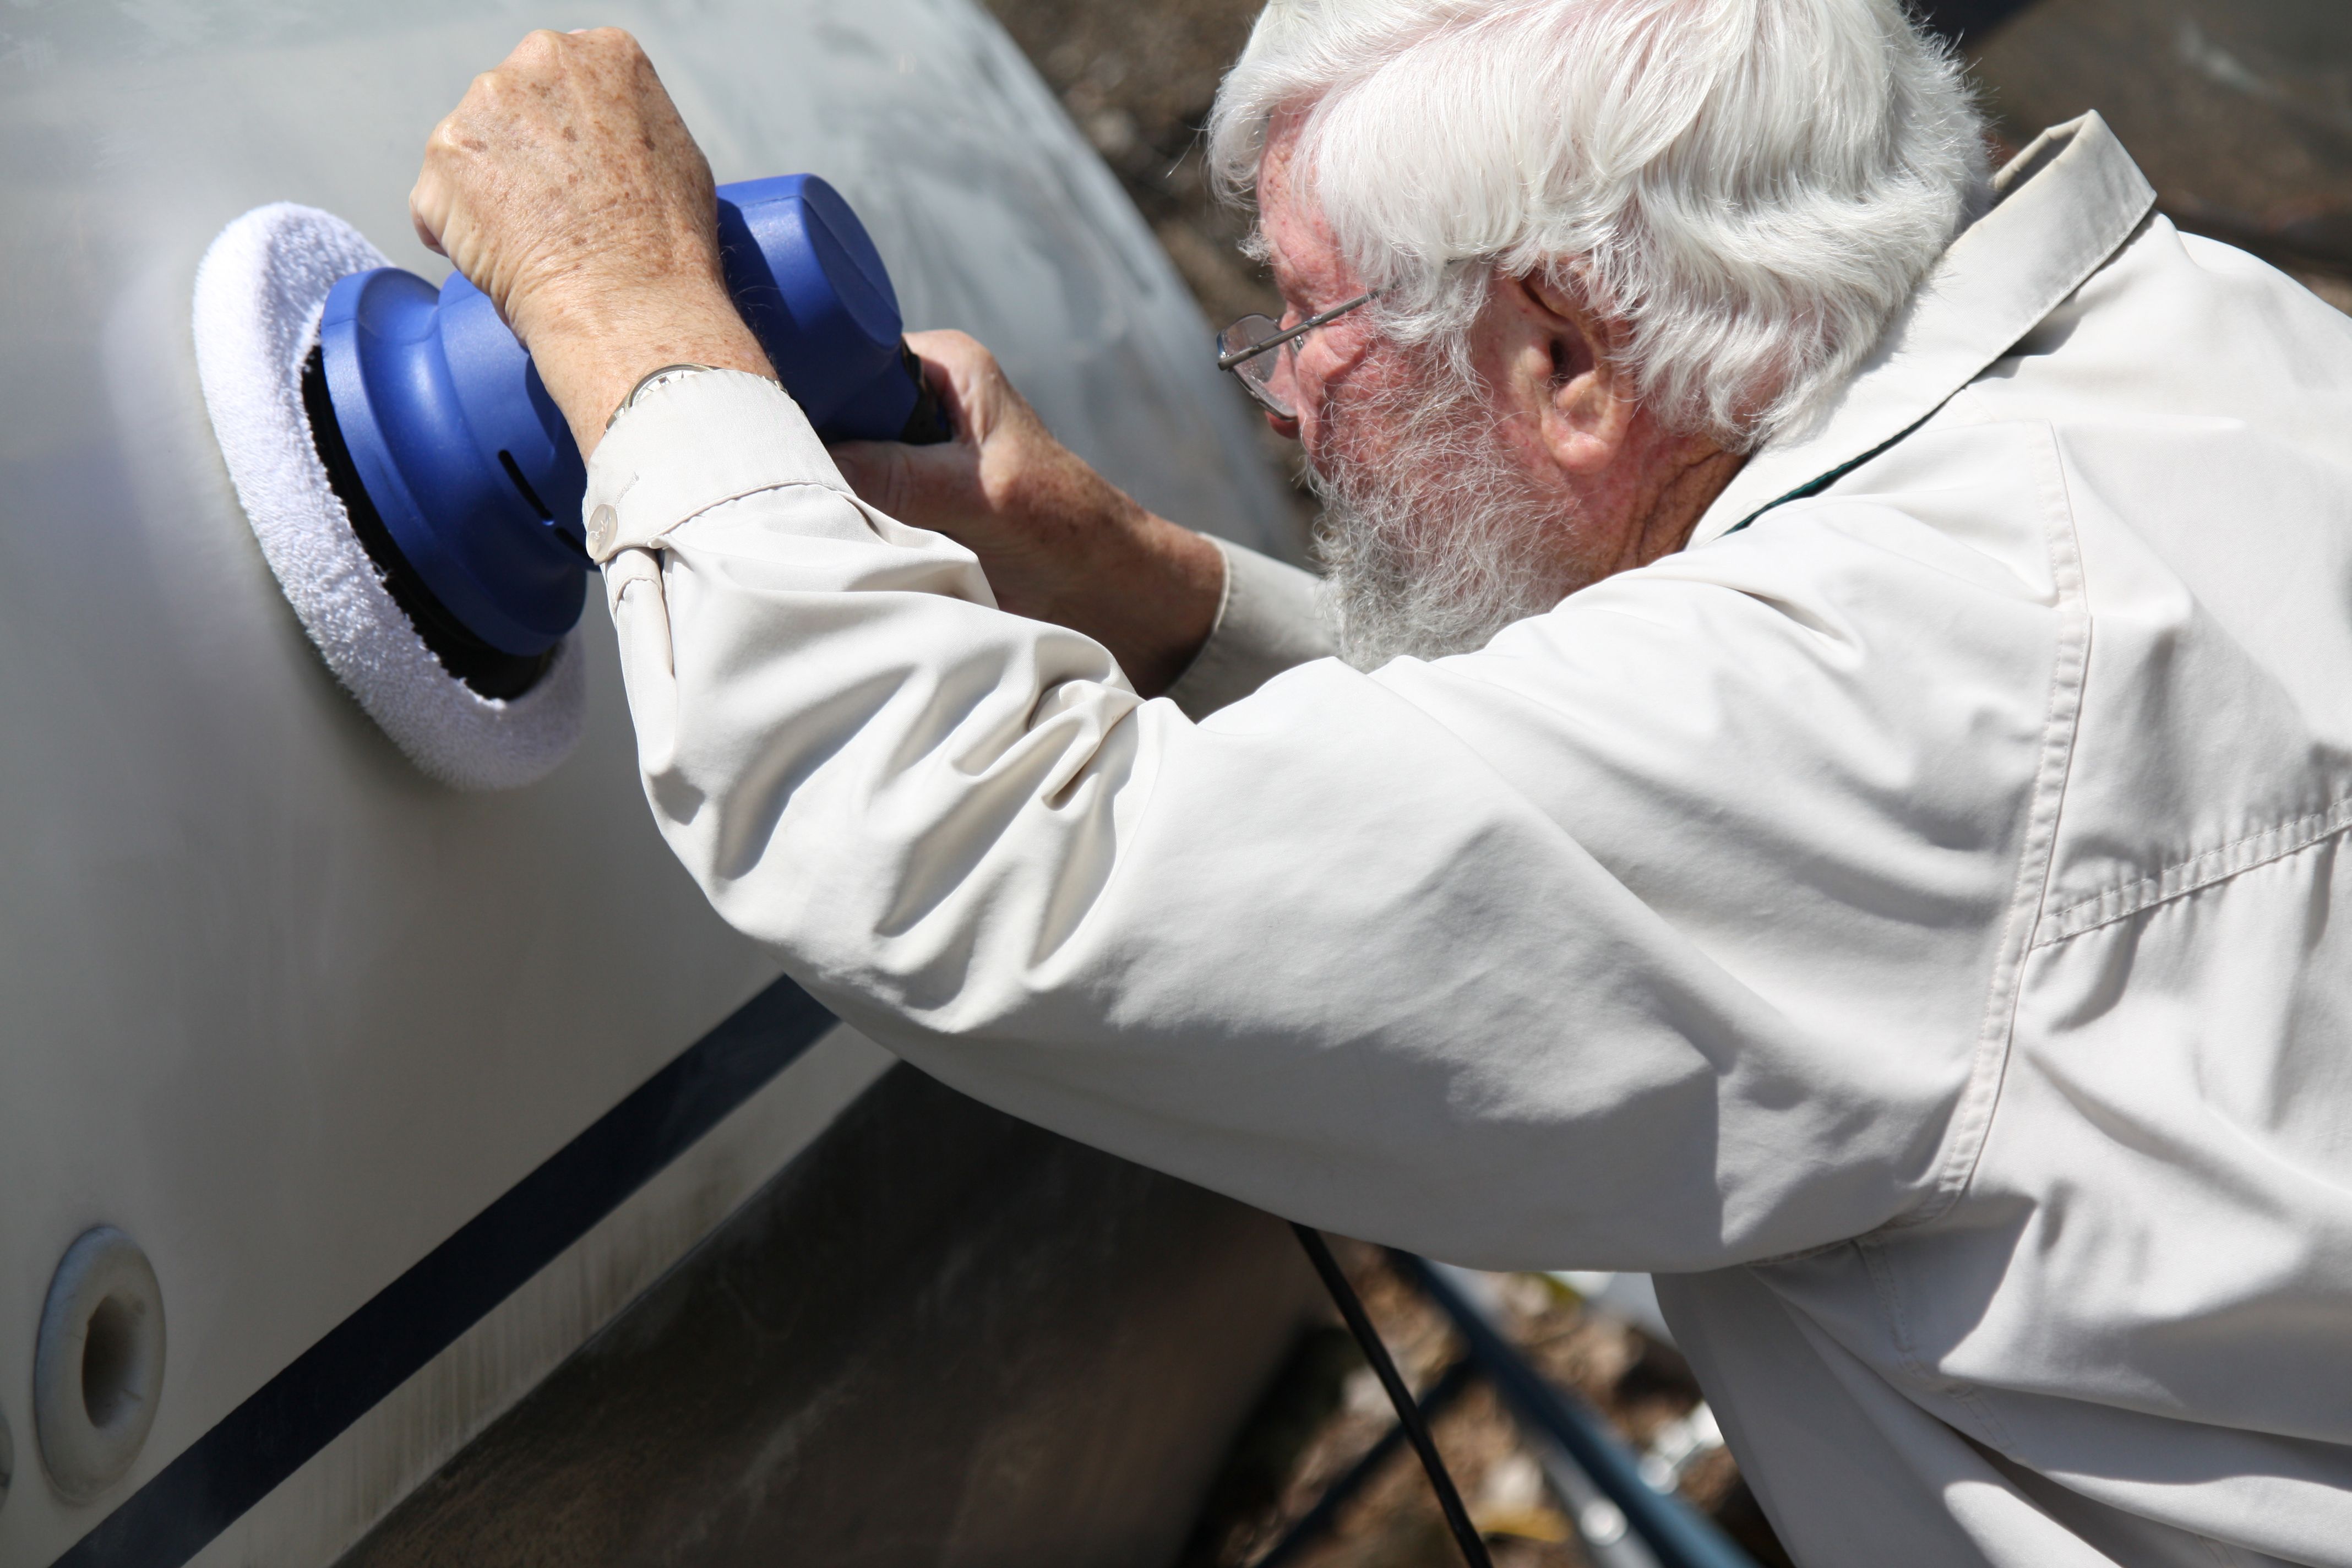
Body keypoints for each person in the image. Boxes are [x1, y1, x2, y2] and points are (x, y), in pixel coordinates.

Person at [407, 2, 2352, 1561]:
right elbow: (1698, 812)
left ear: (1571, 355)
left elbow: (985, 875)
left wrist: (631, 325)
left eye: (1315, 322)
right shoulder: (2180, 353)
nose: (1280, 391)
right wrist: (1155, 594)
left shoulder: (1873, 697)